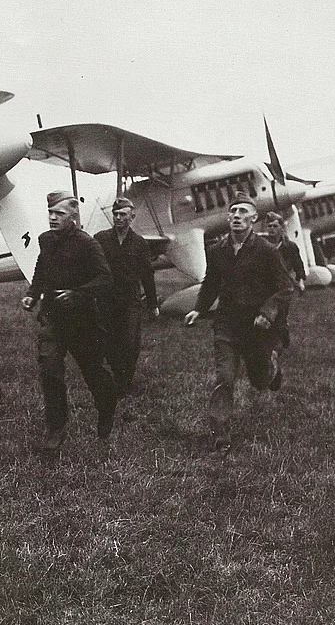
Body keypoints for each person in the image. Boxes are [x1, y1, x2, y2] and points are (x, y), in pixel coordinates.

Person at [185, 195, 293, 455]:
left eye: (242, 211)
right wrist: (198, 309)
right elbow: (211, 284)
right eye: (232, 211)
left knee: (259, 380)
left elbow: (285, 287)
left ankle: (271, 365)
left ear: (253, 218)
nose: (236, 215)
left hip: (256, 326)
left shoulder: (266, 250)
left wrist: (267, 313)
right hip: (227, 324)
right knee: (225, 378)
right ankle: (220, 439)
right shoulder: (217, 251)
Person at [22, 191, 117, 450]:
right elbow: (41, 270)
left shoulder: (88, 244)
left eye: (59, 214)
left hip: (82, 322)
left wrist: (78, 294)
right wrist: (32, 294)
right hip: (53, 318)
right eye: (50, 213)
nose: (53, 218)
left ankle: (106, 410)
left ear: (73, 215)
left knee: (93, 373)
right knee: (49, 371)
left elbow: (105, 278)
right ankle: (56, 429)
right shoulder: (46, 240)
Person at [94, 197, 159, 397]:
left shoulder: (139, 243)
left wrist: (153, 303)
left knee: (131, 343)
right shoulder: (101, 239)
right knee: (109, 343)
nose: (118, 218)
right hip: (107, 300)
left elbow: (147, 274)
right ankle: (118, 375)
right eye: (116, 214)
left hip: (131, 301)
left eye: (123, 214)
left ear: (132, 217)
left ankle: (125, 381)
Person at [265, 211, 306, 351]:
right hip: (266, 285)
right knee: (266, 314)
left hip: (284, 286)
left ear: (282, 228)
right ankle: (271, 343)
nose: (271, 229)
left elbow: (298, 265)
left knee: (280, 316)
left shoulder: (290, 247)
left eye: (275, 226)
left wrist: (300, 281)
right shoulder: (262, 245)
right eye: (269, 226)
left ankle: (282, 340)